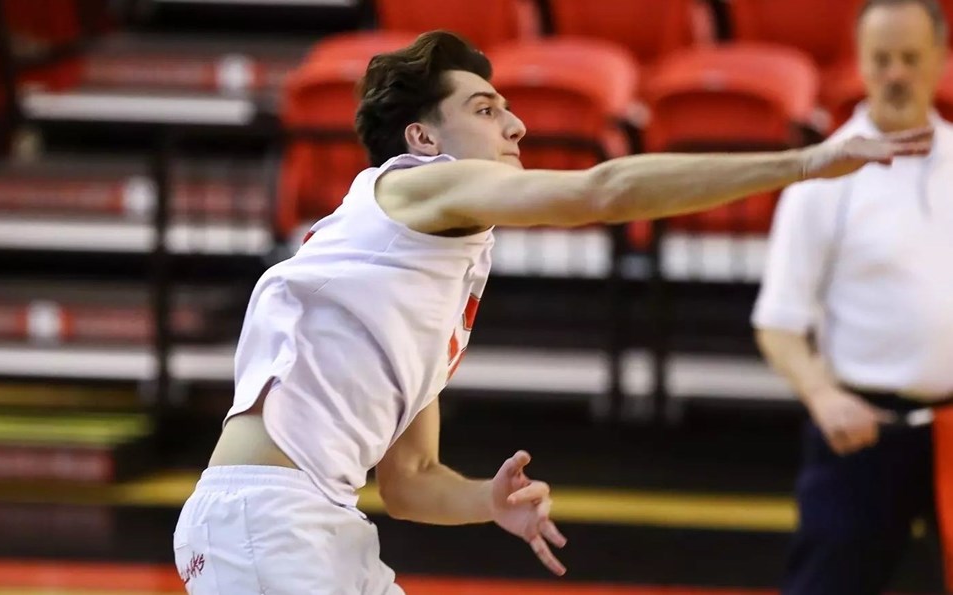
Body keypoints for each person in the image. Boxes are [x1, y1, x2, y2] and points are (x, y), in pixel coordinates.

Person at [173, 29, 933, 594]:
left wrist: (487, 501)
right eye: (485, 108)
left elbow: (409, 478)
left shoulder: (421, 262)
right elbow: (602, 192)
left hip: (314, 519)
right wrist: (799, 163)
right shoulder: (413, 185)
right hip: (268, 518)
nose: (517, 126)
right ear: (422, 138)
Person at [751, 1, 953, 593]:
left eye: (911, 59)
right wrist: (822, 394)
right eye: (882, 59)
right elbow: (778, 322)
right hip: (860, 433)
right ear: (860, 65)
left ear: (940, 61)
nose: (897, 74)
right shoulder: (823, 176)